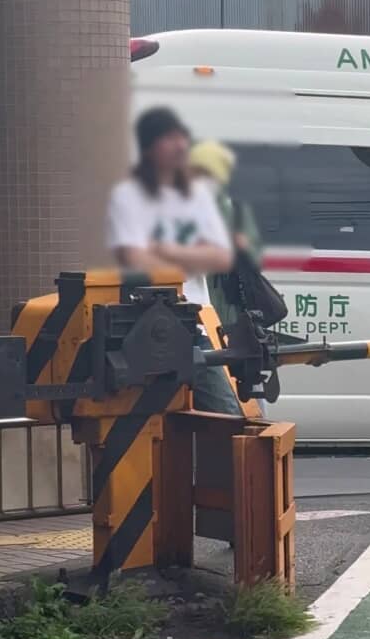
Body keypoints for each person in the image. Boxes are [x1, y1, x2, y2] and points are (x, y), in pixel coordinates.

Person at [106, 108, 241, 415]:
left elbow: (220, 257)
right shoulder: (127, 197)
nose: (181, 146)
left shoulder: (197, 195)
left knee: (227, 414)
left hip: (195, 326)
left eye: (183, 138)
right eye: (171, 138)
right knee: (148, 423)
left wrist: (165, 250)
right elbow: (133, 258)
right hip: (140, 327)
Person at [188, 139, 261, 327]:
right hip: (195, 300)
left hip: (228, 298)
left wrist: (242, 247)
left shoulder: (235, 208)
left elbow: (254, 255)